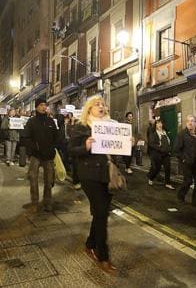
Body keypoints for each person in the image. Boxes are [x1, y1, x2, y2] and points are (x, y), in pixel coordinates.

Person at [68, 95, 117, 274]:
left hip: (107, 174)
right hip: (90, 175)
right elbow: (71, 151)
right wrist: (85, 147)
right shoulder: (81, 127)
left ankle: (89, 244)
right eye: (97, 104)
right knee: (102, 214)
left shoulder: (111, 125)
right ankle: (103, 256)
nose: (101, 106)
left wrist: (128, 144)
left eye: (103, 104)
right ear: (89, 109)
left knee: (99, 213)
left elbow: (118, 150)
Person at [21, 98, 60, 212]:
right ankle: (34, 202)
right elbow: (25, 137)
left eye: (45, 105)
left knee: (49, 181)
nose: (44, 107)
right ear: (37, 107)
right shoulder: (31, 122)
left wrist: (52, 148)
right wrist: (34, 148)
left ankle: (47, 202)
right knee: (33, 179)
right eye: (41, 105)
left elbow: (56, 137)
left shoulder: (50, 121)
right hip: (36, 156)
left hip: (48, 156)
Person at [175, 115, 196, 205]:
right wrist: (183, 159)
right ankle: (180, 195)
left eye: (192, 121)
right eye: (188, 121)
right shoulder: (182, 134)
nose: (190, 123)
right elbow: (176, 149)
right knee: (188, 181)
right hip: (186, 162)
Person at [147, 118, 175, 190]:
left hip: (166, 153)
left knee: (167, 168)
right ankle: (151, 178)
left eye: (161, 123)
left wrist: (169, 148)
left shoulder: (165, 132)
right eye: (158, 123)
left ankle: (167, 183)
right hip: (157, 154)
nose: (160, 125)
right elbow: (151, 144)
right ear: (155, 125)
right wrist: (160, 148)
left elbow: (169, 142)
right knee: (157, 168)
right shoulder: (153, 133)